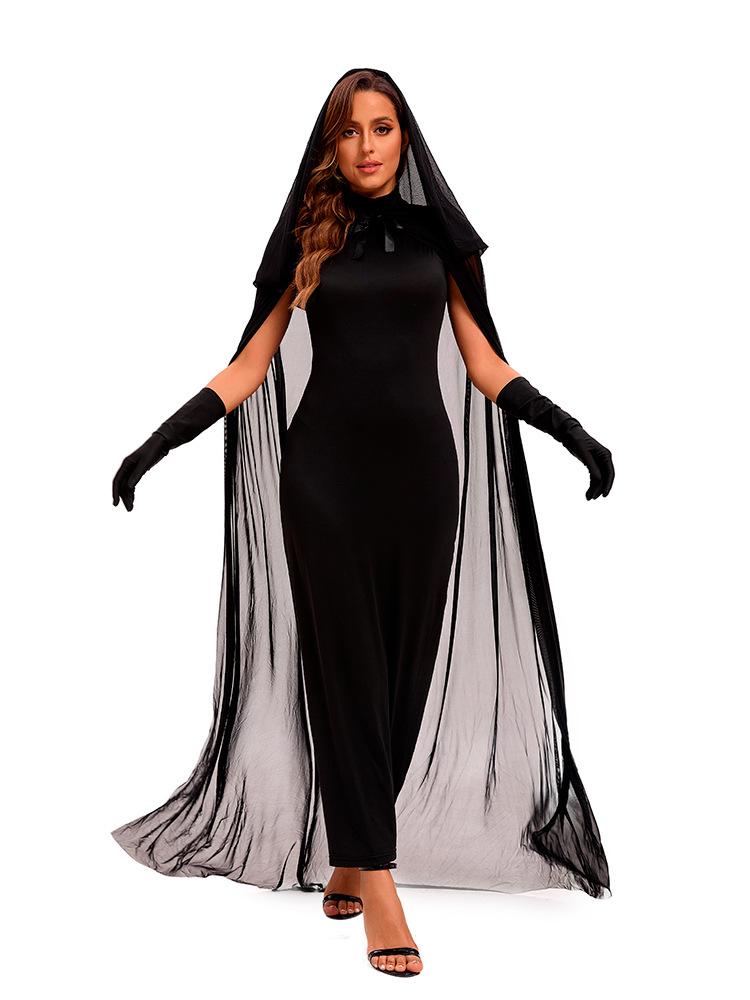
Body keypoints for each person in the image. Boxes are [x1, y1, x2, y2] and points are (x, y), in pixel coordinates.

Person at [112, 68, 614, 979]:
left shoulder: (440, 240)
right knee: (345, 670)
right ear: (330, 146)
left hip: (424, 482)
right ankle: (379, 881)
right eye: (350, 131)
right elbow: (249, 366)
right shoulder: (308, 239)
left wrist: (571, 432)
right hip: (324, 484)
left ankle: (350, 853)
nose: (368, 145)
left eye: (382, 128)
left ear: (404, 137)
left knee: (406, 677)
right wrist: (158, 443)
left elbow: (485, 363)